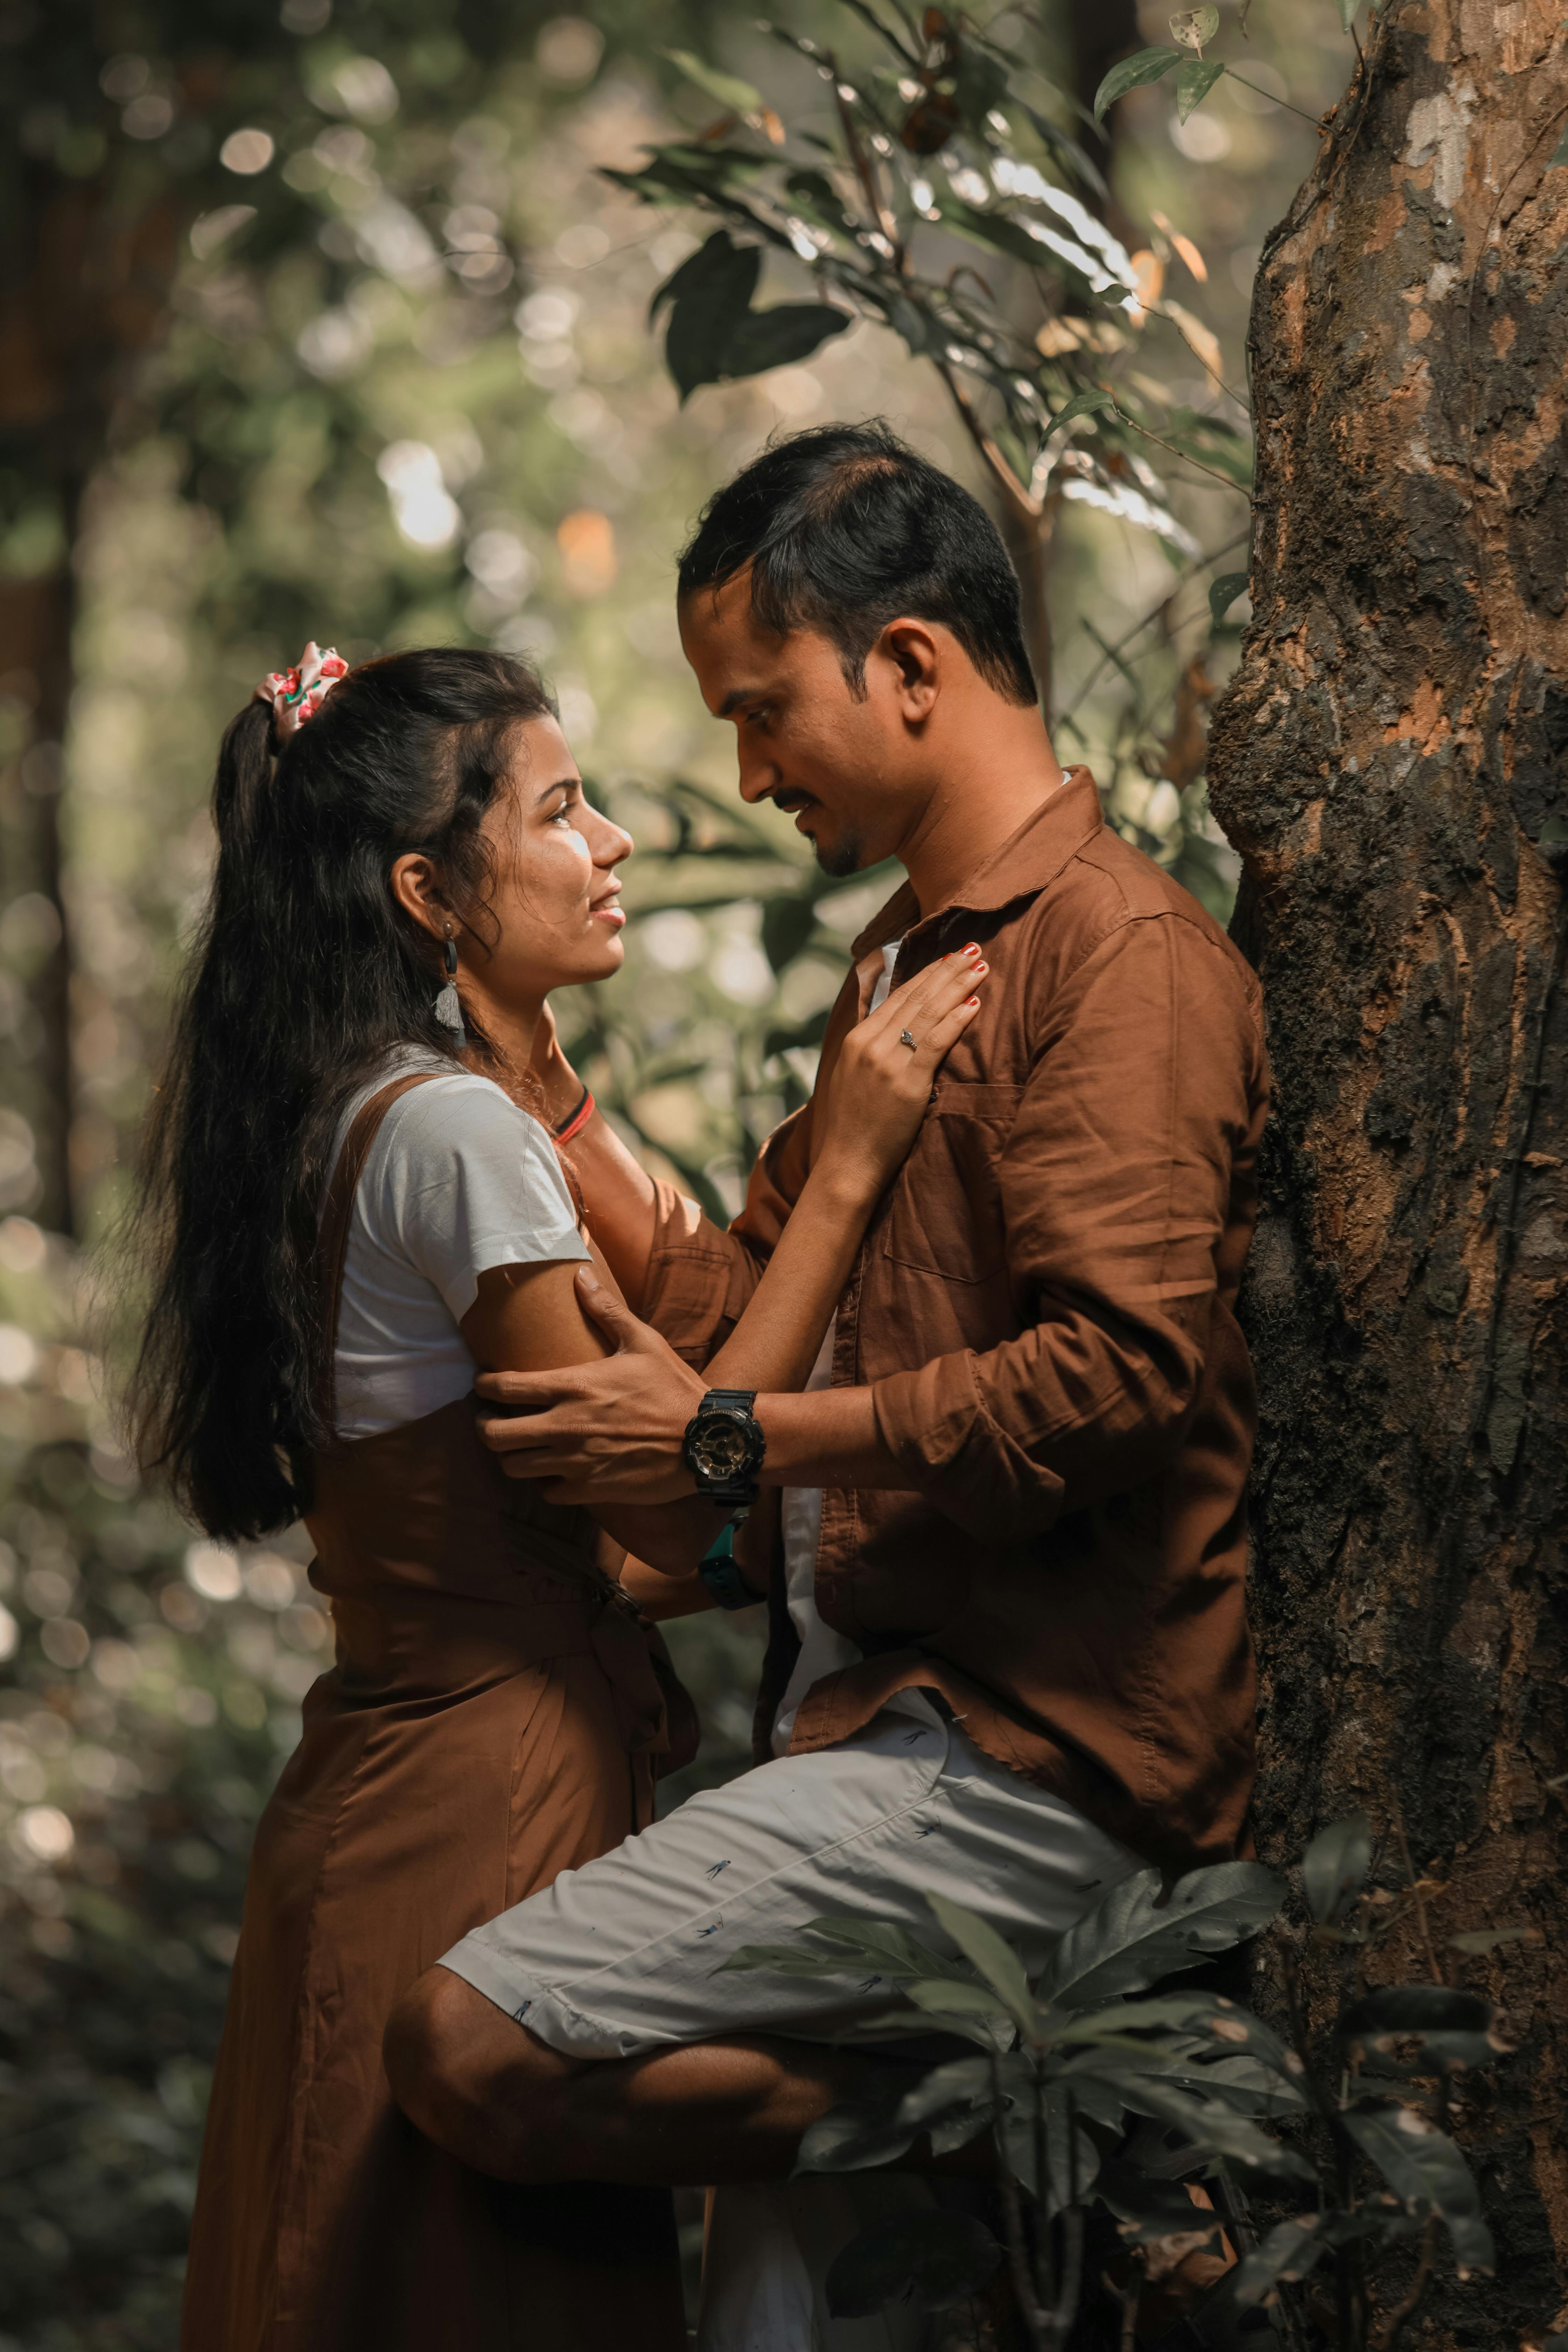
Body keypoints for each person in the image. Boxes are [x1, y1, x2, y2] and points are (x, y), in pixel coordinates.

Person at [382, 424, 1272, 2345]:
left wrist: (729, 1438)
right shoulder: (904, 968)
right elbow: (757, 1292)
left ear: (914, 667)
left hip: (1032, 1763)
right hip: (870, 1736)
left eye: (763, 710)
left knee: (469, 2044)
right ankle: (989, 2109)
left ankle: (1027, 2107)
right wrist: (550, 1103)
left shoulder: (1116, 956)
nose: (748, 773)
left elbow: (1116, 1376)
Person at [128, 638, 990, 2352]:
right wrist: (849, 1160)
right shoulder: (450, 1138)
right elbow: (675, 1509)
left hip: (395, 1781)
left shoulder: (373, 1108)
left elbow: (590, 1489)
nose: (613, 844)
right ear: (427, 894)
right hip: (478, 1806)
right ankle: (978, 2117)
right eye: (562, 810)